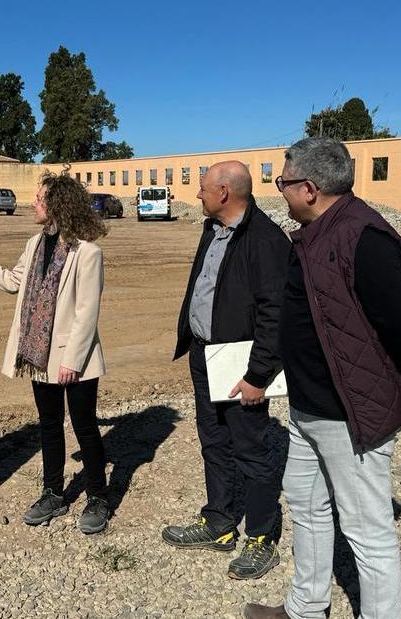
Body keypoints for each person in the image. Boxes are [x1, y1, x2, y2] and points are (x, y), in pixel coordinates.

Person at [243, 137, 401, 619]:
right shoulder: (316, 232)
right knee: (307, 505)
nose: (281, 192)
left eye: (284, 182)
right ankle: (306, 606)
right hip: (307, 408)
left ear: (311, 189)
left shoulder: (364, 236)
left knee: (367, 531)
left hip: (349, 413)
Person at [0, 172, 111, 534]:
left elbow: (87, 311)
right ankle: (53, 493)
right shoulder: (34, 245)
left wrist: (73, 359)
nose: (32, 203)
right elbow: (13, 282)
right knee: (50, 426)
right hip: (39, 353)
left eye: (39, 198)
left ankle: (99, 498)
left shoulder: (87, 252)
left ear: (57, 204)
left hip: (77, 359)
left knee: (85, 427)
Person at [161, 160, 289, 581]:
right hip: (206, 355)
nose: (195, 195)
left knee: (251, 448)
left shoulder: (266, 240)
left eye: (201, 189)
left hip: (241, 364)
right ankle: (218, 522)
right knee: (213, 441)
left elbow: (275, 313)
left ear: (223, 193)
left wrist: (257, 375)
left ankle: (261, 535)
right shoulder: (211, 228)